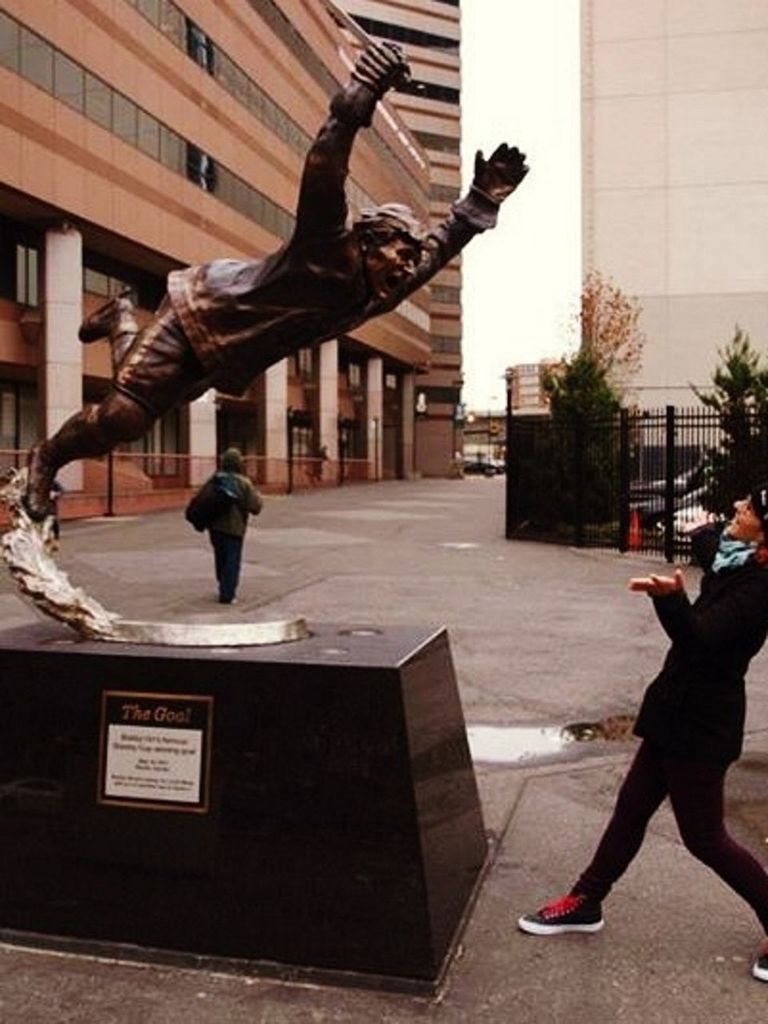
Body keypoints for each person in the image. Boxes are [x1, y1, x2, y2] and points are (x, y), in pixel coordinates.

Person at [24, 42, 529, 521]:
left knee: (145, 400)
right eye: (401, 251)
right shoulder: (327, 242)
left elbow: (439, 248)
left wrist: (479, 203)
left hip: (225, 351)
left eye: (410, 259)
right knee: (124, 417)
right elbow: (325, 164)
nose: (407, 266)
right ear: (372, 240)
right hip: (202, 309)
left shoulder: (383, 283)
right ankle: (45, 460)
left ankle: (120, 319)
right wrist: (364, 91)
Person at [518, 488, 768, 985]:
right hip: (673, 710)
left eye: (748, 510)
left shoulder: (759, 589)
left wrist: (670, 600)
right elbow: (710, 547)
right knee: (632, 806)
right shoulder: (734, 559)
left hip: (702, 723)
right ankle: (587, 901)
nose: (737, 510)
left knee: (705, 838)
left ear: (763, 532)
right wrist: (698, 531)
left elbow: (700, 638)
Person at [202, 447, 262, 604]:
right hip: (235, 528)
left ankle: (223, 585)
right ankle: (227, 594)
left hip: (215, 527)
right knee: (232, 560)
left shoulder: (214, 479)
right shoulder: (244, 483)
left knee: (220, 557)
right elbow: (255, 507)